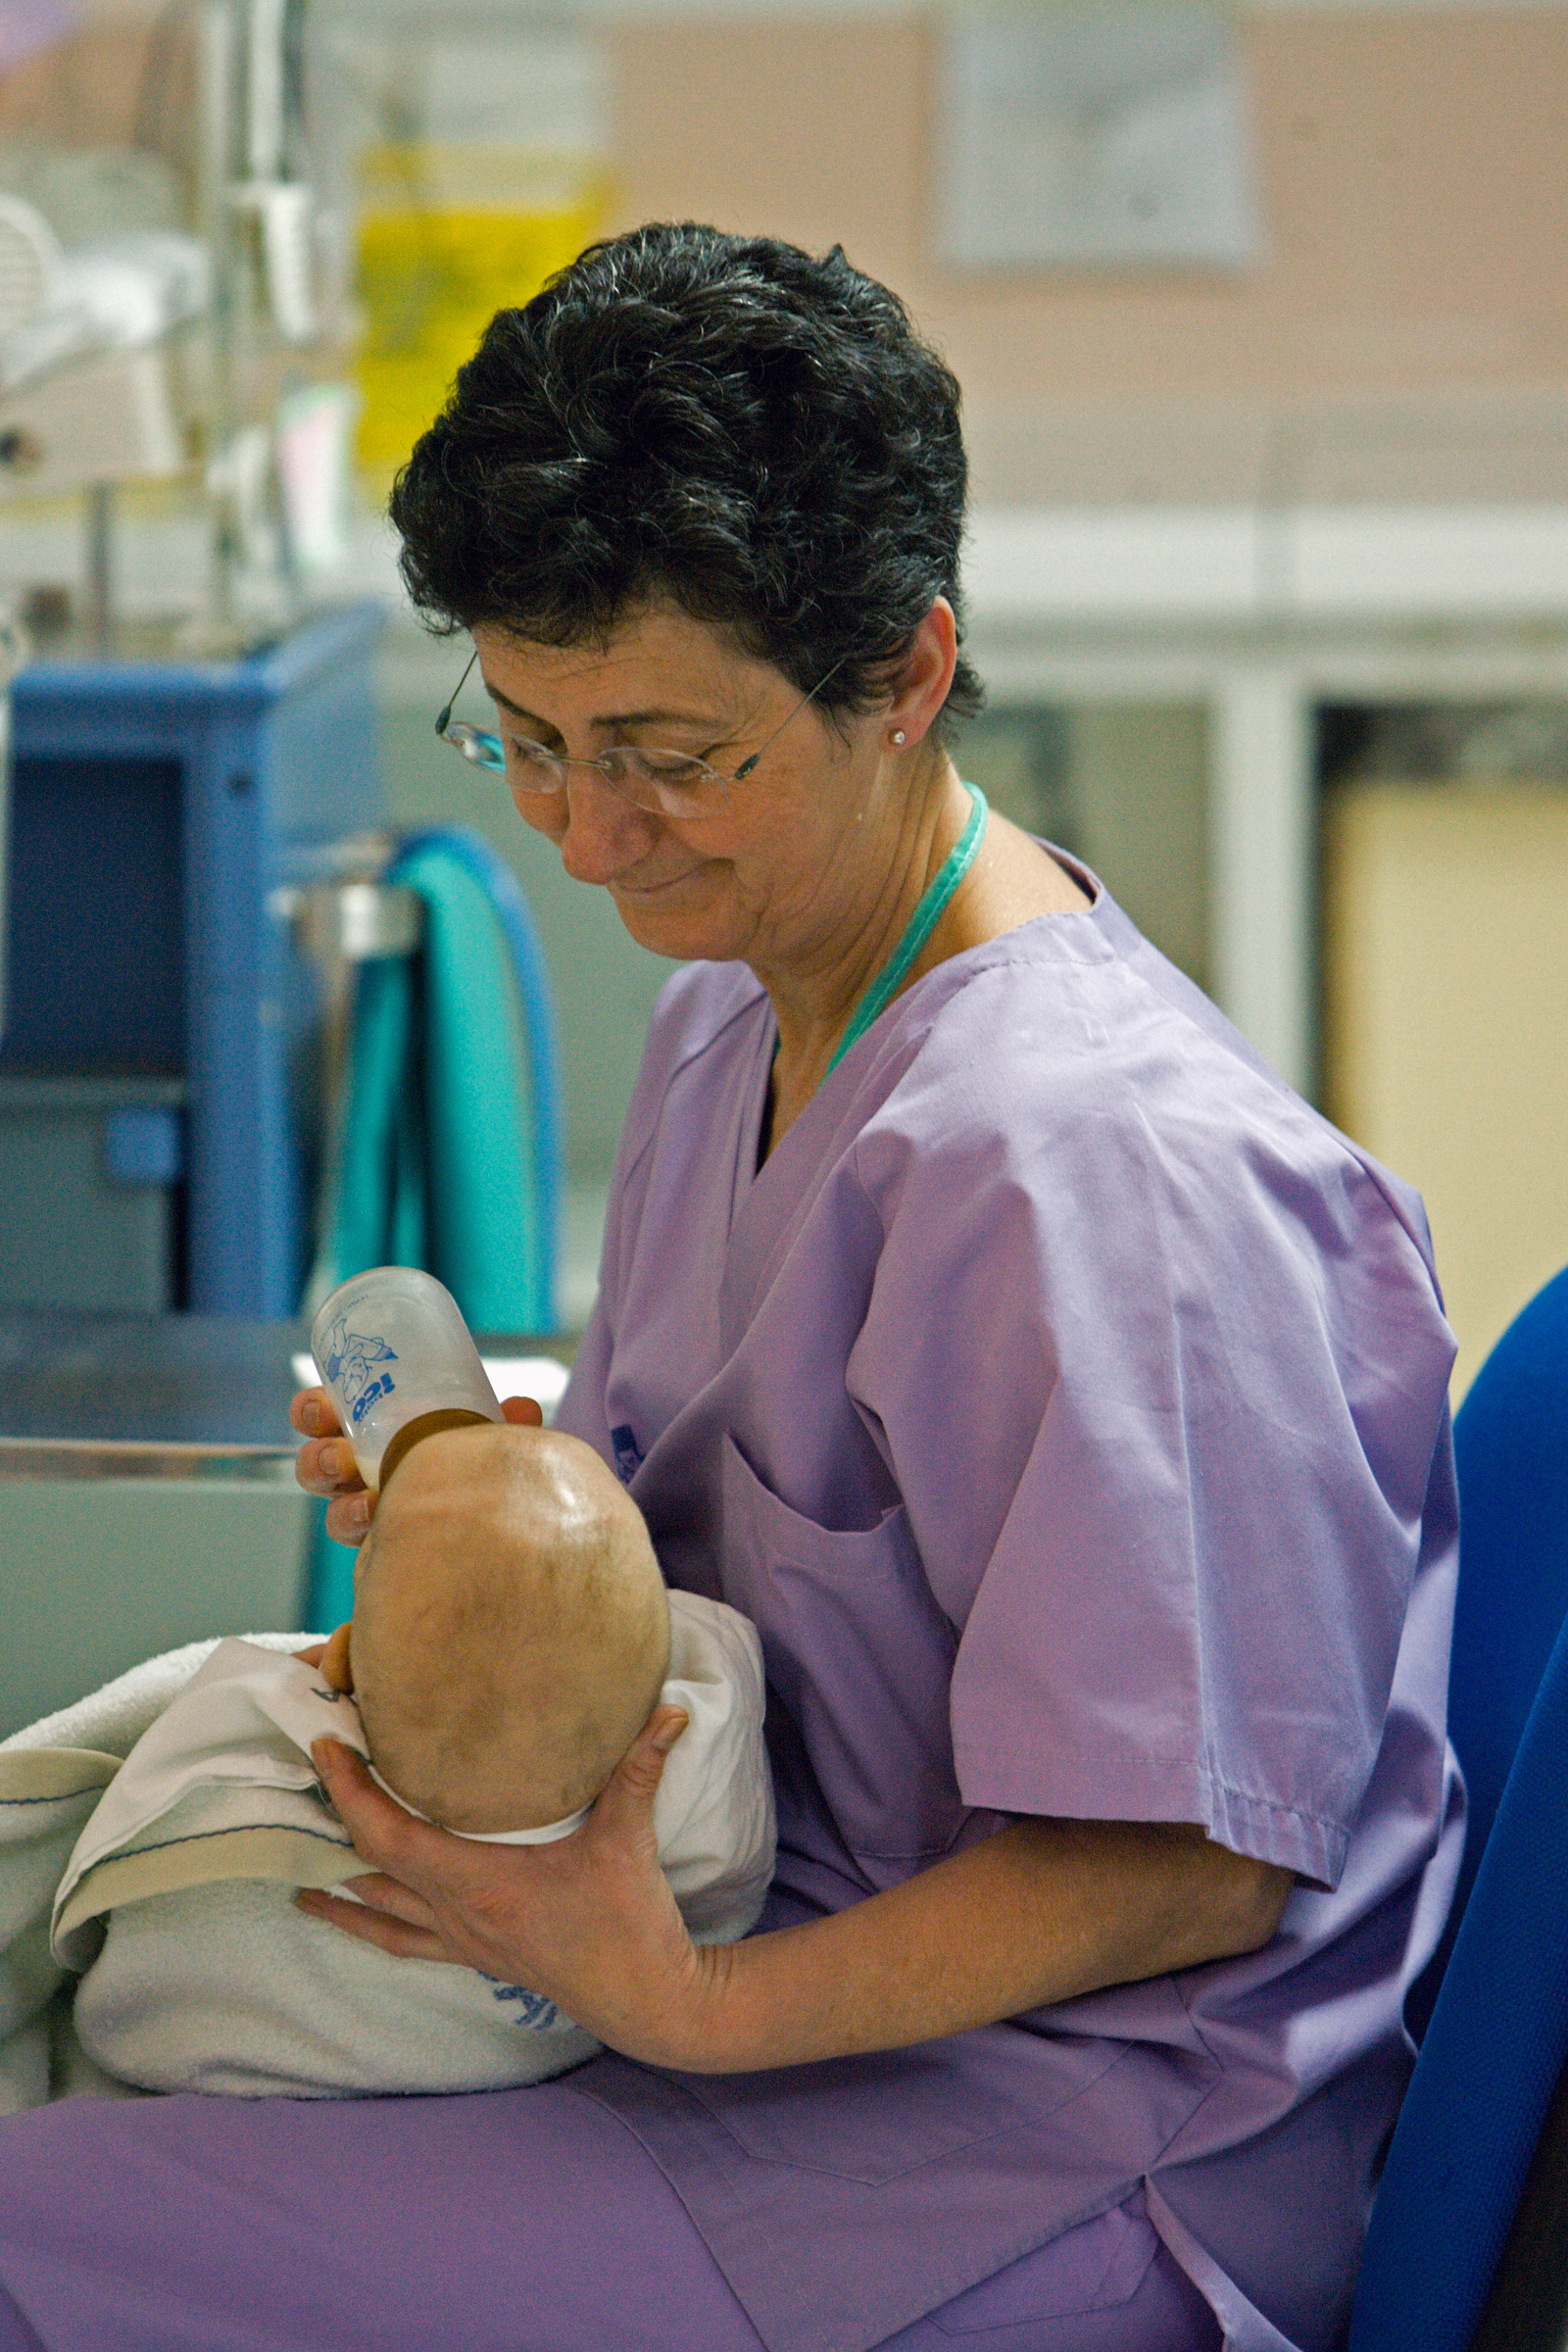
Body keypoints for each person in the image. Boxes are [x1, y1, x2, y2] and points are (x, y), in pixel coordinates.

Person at [0, 223, 1459, 2352]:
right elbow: (717, 1569)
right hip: (753, 1979)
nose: (591, 841)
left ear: (905, 672)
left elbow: (1185, 1867)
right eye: (526, 738)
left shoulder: (1098, 1182)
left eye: (674, 756)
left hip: (1053, 2150)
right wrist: (480, 1551)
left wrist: (686, 2004)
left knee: (37, 2232)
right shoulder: (744, 1004)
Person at [10, 1424, 771, 2102]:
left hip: (180, 2052)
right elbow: (723, 1872)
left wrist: (316, 1689)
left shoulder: (267, 1719)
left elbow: (47, 1792)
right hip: (498, 2068)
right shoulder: (686, 1779)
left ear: (346, 1656)